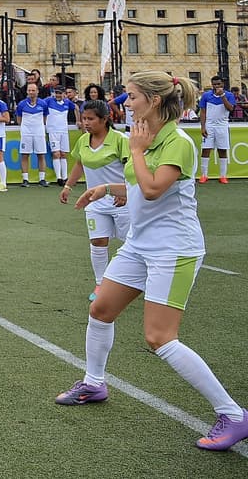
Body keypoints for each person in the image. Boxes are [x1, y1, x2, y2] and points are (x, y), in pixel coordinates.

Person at [54, 72, 248, 452]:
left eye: (130, 96)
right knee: (101, 309)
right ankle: (93, 383)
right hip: (139, 246)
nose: (124, 102)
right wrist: (106, 188)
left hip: (173, 250)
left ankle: (234, 415)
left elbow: (154, 189)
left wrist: (138, 151)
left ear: (154, 100)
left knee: (160, 338)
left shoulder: (176, 140)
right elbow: (138, 184)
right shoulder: (144, 137)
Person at [59, 99, 130, 302]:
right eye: (84, 118)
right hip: (95, 202)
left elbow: (131, 168)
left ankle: (136, 282)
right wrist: (68, 186)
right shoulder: (83, 140)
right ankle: (101, 284)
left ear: (105, 119)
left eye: (91, 119)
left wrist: (124, 192)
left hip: (121, 201)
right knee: (98, 242)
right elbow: (79, 164)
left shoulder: (120, 139)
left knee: (130, 244)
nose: (86, 123)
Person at [197, 75, 235, 184]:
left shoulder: (229, 95)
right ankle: (204, 175)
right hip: (209, 125)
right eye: (214, 84)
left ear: (222, 84)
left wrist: (222, 96)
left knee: (222, 150)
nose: (216, 86)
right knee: (206, 149)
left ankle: (223, 176)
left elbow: (231, 108)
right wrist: (203, 127)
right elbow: (203, 111)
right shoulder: (206, 95)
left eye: (218, 84)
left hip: (222, 125)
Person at [14, 82, 49, 187]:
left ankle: (42, 179)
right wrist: (25, 128)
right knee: (25, 155)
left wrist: (39, 127)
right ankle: (25, 179)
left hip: (39, 132)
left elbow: (44, 118)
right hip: (26, 132)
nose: (31, 92)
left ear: (37, 91)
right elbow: (19, 119)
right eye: (29, 90)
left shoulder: (43, 104)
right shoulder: (22, 104)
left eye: (33, 90)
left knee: (41, 154)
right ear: (27, 91)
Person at [44, 86, 77, 186]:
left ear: (64, 94)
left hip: (64, 131)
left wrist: (78, 120)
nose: (58, 95)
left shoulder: (67, 102)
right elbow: (40, 105)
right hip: (53, 131)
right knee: (56, 154)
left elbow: (76, 108)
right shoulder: (49, 100)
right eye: (56, 93)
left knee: (63, 154)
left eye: (60, 93)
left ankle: (65, 177)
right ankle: (58, 178)